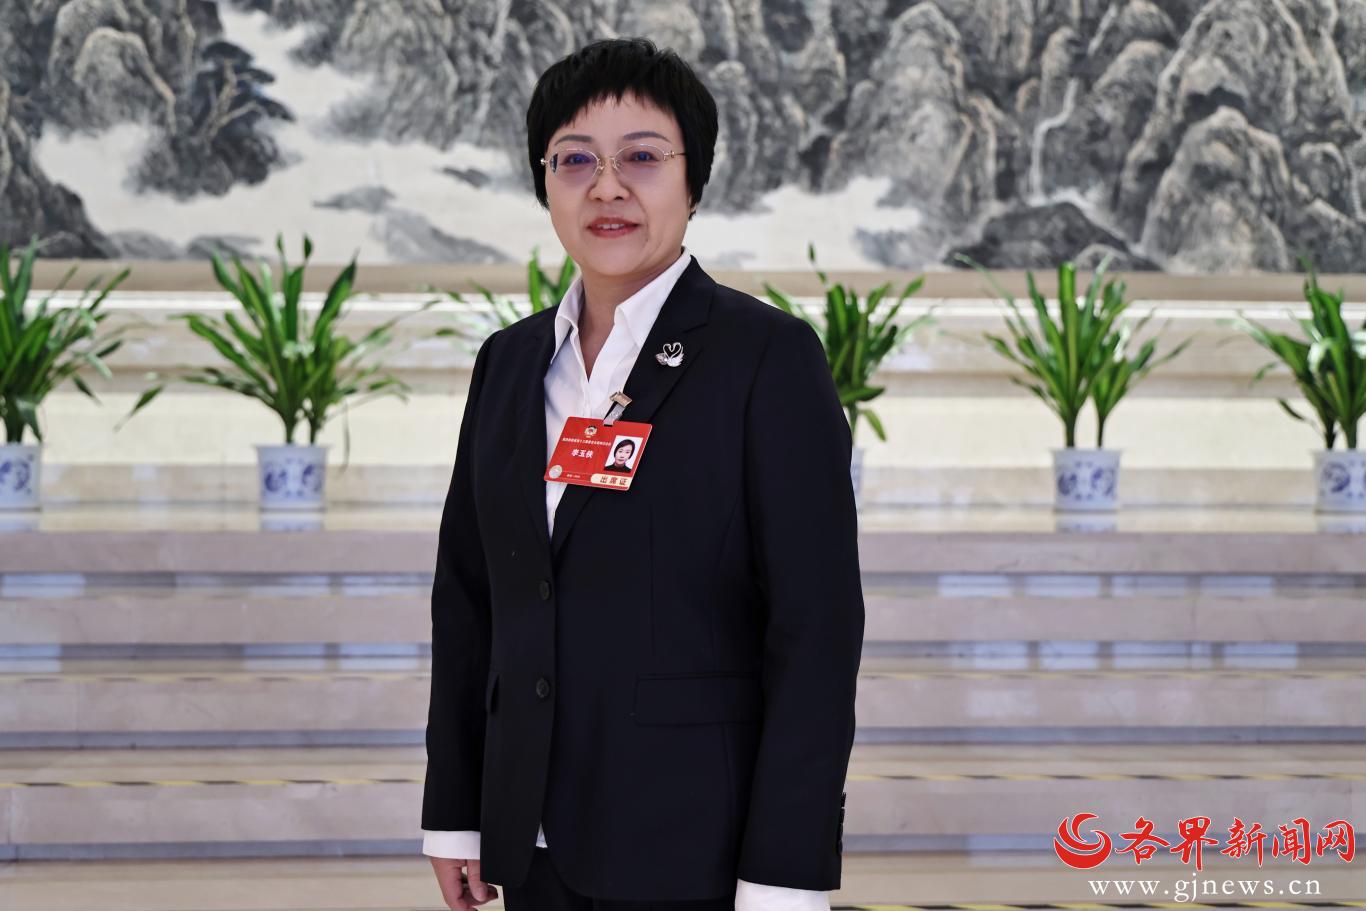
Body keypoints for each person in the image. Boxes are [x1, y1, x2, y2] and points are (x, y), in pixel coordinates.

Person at [420, 36, 864, 911]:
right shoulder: (509, 363)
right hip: (531, 845)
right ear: (544, 182)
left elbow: (816, 629)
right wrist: (458, 815)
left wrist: (785, 872)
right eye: (574, 159)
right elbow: (470, 599)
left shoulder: (765, 357)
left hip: (694, 846)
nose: (607, 186)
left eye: (643, 158)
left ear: (694, 183)